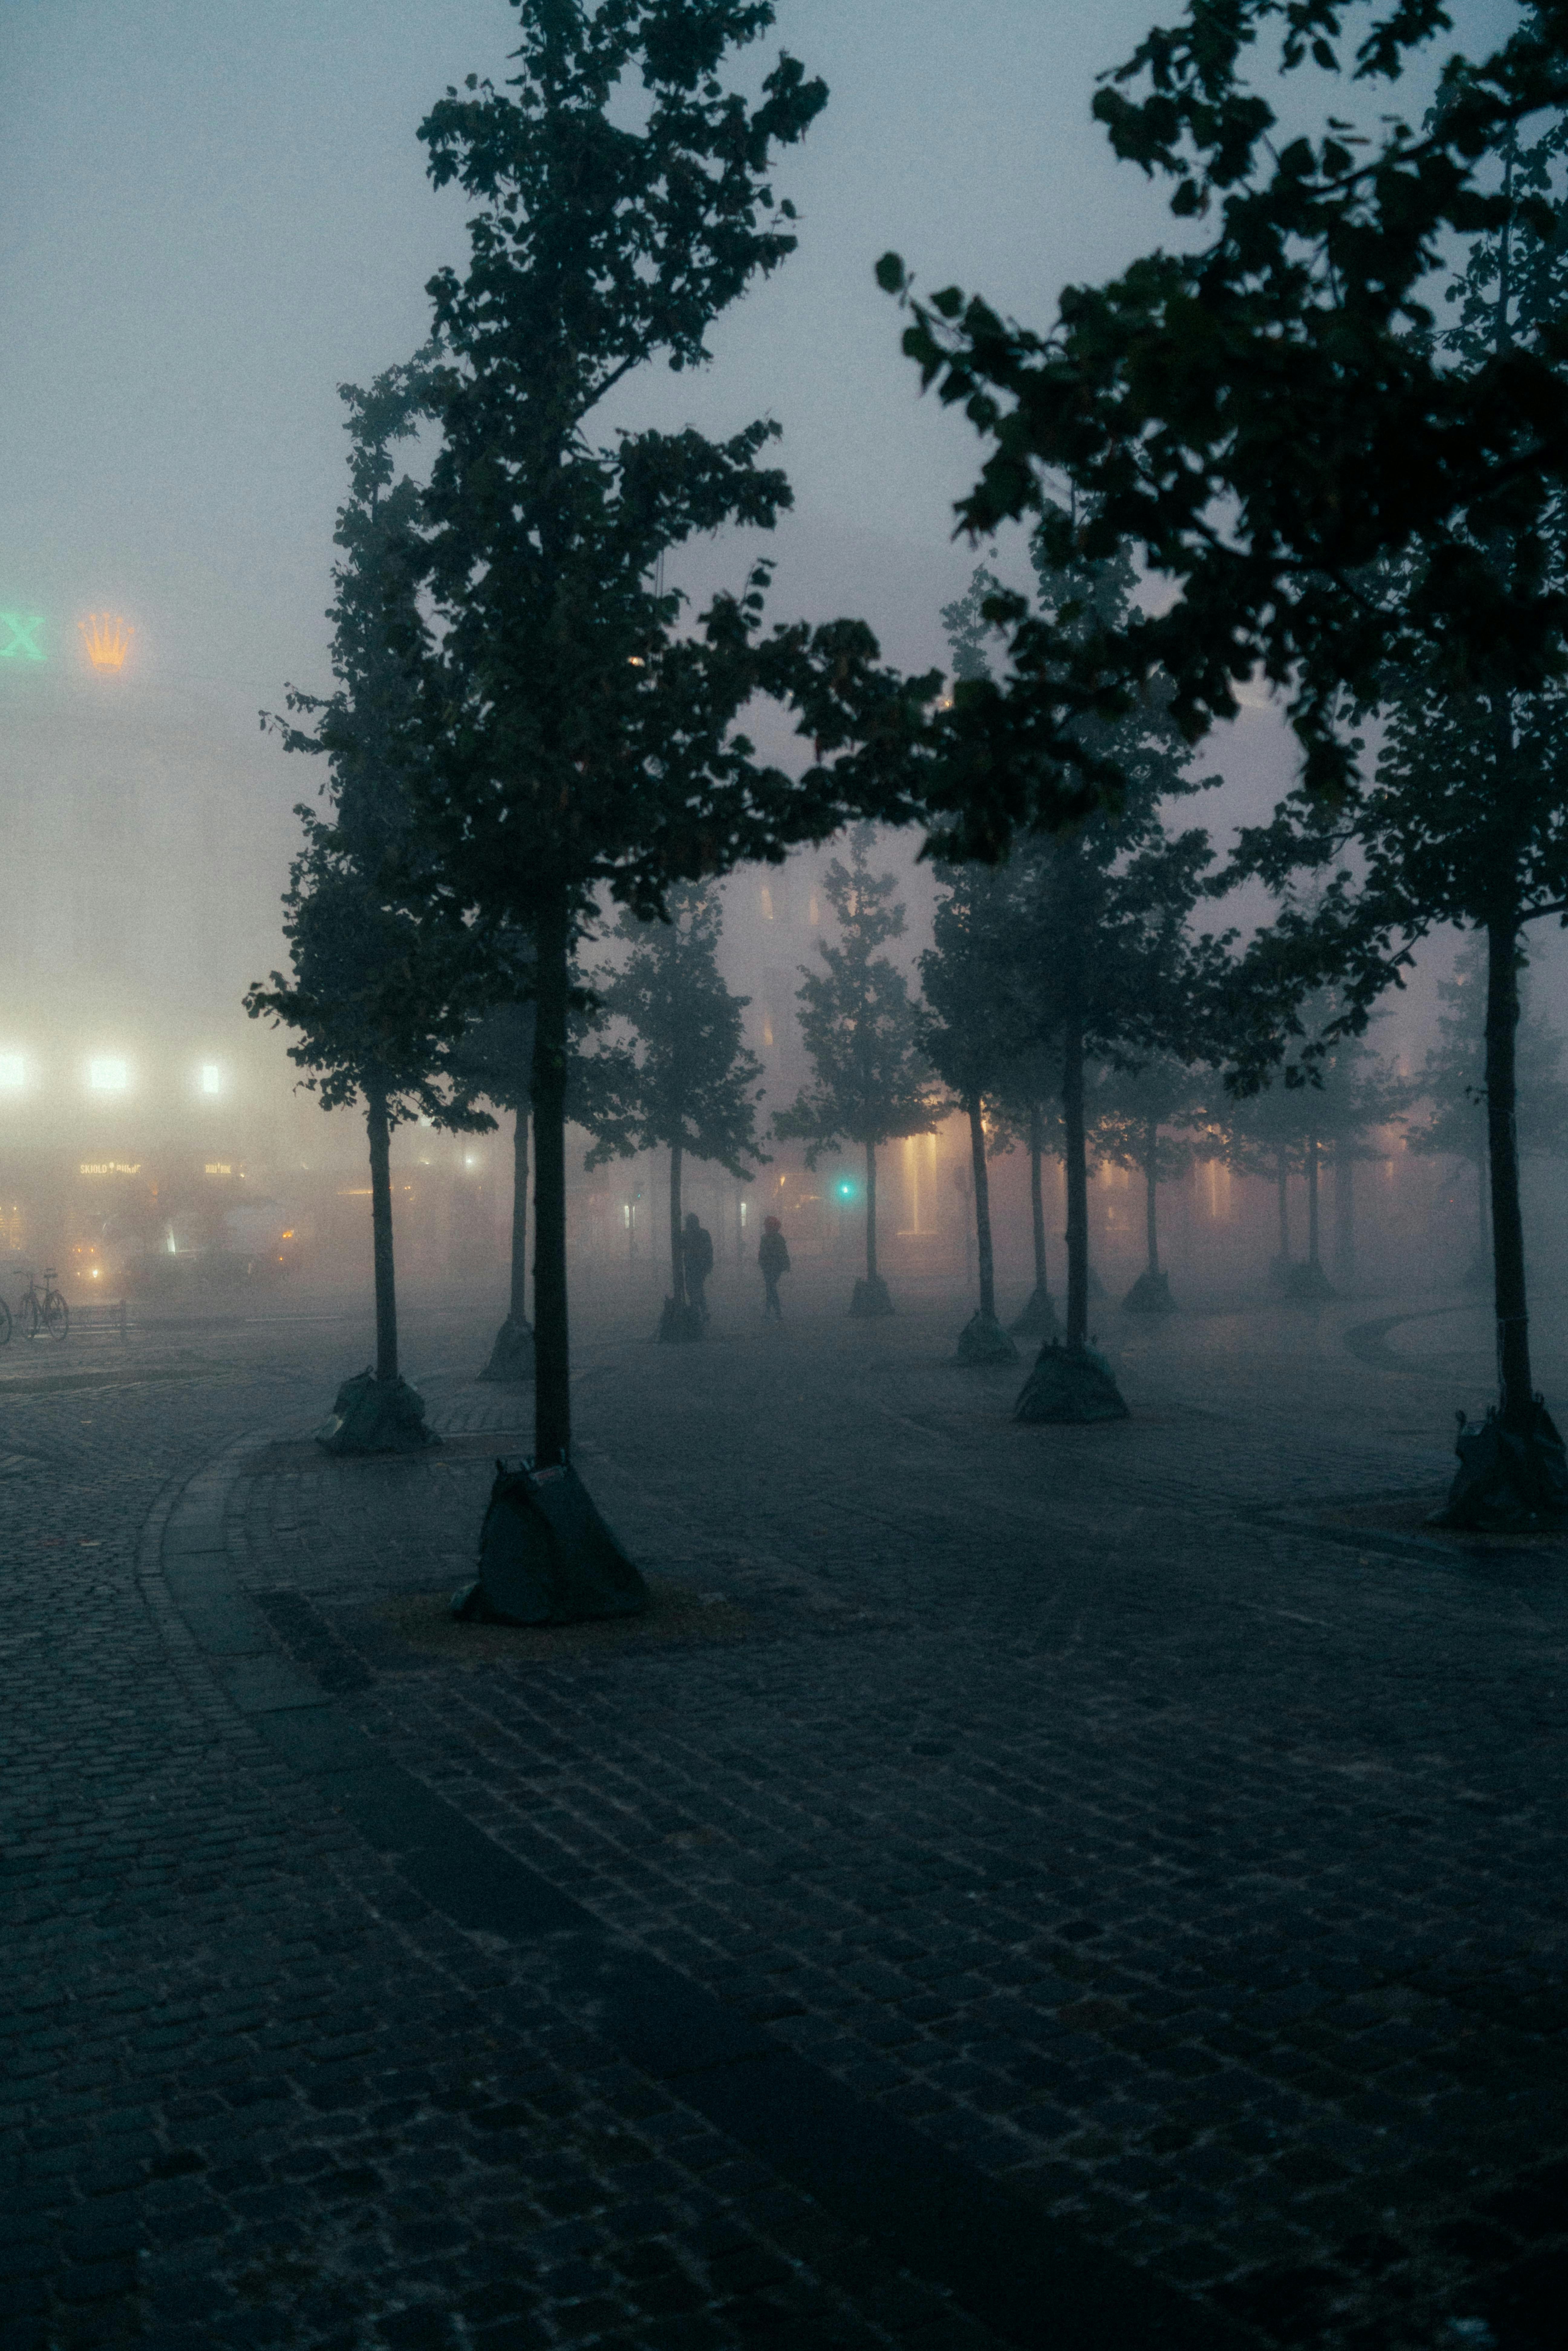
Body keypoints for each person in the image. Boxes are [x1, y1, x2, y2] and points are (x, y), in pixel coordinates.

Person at [682, 1211, 714, 1323]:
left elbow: (681, 1246)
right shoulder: (704, 1234)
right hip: (701, 1267)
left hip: (692, 1266)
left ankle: (697, 1311)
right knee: (698, 1289)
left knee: (693, 1289)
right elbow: (710, 1251)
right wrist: (709, 1265)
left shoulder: (687, 1235)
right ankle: (702, 1311)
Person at [758, 1214, 790, 1321]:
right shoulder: (771, 1238)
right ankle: (773, 1312)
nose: (767, 1227)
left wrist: (785, 1264)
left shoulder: (775, 1238)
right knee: (770, 1289)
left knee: (771, 1288)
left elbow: (782, 1253)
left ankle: (774, 1312)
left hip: (773, 1267)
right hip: (771, 1267)